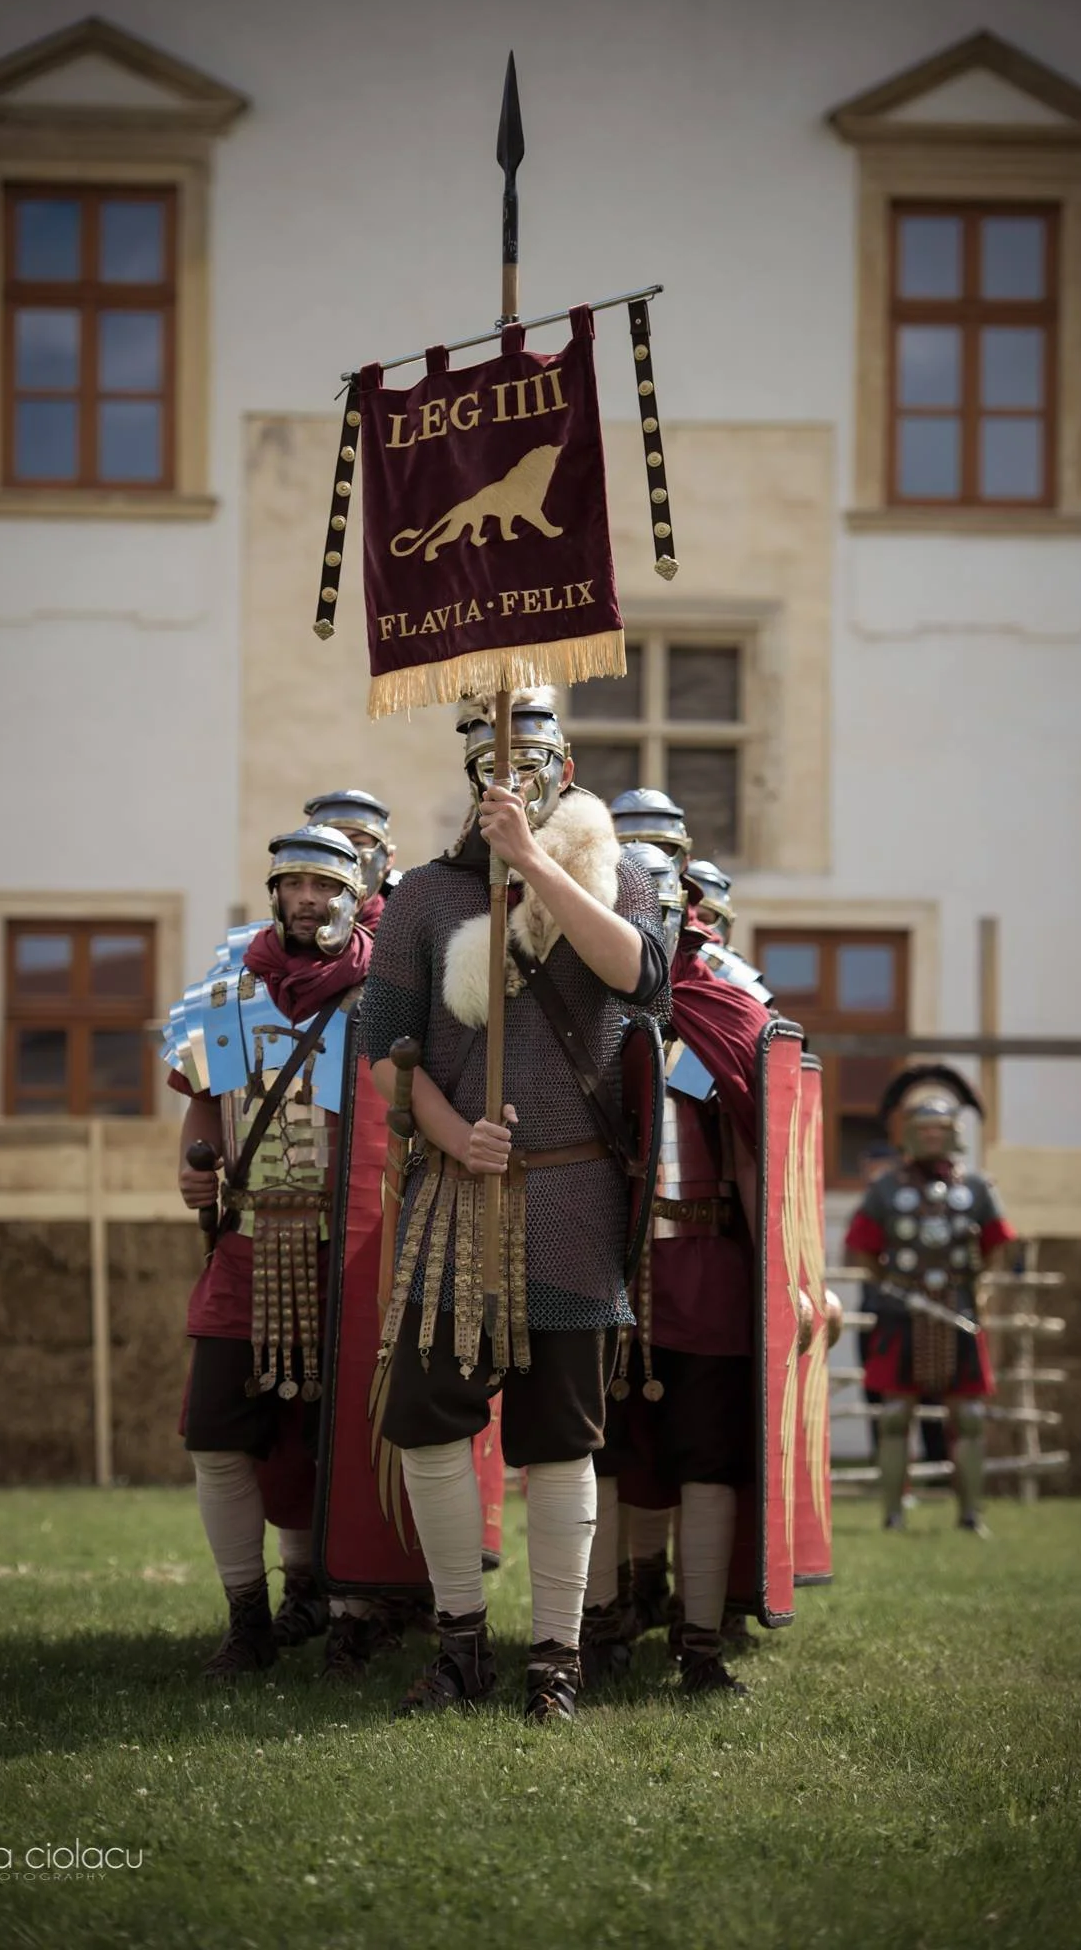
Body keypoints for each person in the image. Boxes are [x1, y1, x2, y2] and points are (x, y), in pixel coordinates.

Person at [360, 690, 670, 1724]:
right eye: (495, 761)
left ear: (564, 766)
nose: (512, 775)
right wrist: (453, 1134)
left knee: (561, 1439)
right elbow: (385, 1050)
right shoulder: (422, 896)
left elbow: (643, 978)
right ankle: (459, 1645)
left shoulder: (614, 873)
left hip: (572, 1192)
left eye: (533, 761)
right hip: (454, 1195)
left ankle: (555, 1659)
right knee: (427, 1417)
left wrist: (534, 864)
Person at [166, 824, 378, 1677]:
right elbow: (203, 1094)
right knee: (217, 1439)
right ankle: (247, 1620)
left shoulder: (382, 996)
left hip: (346, 1254)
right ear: (275, 893)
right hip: (246, 1250)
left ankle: (351, 1614)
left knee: (343, 1443)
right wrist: (194, 1168)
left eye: (323, 887)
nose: (306, 900)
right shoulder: (230, 990)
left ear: (352, 898)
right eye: (293, 884)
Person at [583, 845, 771, 1696]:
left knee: (706, 1459)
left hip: (705, 1272)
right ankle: (597, 1629)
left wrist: (779, 1273)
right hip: (599, 1266)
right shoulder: (577, 1002)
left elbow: (754, 1155)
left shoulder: (721, 1006)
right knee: (597, 1454)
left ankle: (699, 1643)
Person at [844, 1066, 1016, 1535]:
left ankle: (970, 1514)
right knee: (895, 1414)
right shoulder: (885, 1189)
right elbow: (861, 1246)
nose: (933, 1137)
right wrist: (886, 1282)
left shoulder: (977, 1189)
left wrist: (981, 1284)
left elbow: (998, 1242)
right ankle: (893, 1513)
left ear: (955, 1132)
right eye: (925, 1129)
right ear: (909, 1134)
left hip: (958, 1310)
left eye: (941, 1128)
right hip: (902, 1313)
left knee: (970, 1417)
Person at [302, 787, 399, 931]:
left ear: (389, 858)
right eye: (331, 841)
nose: (344, 850)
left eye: (358, 843)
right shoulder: (272, 938)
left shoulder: (412, 935)